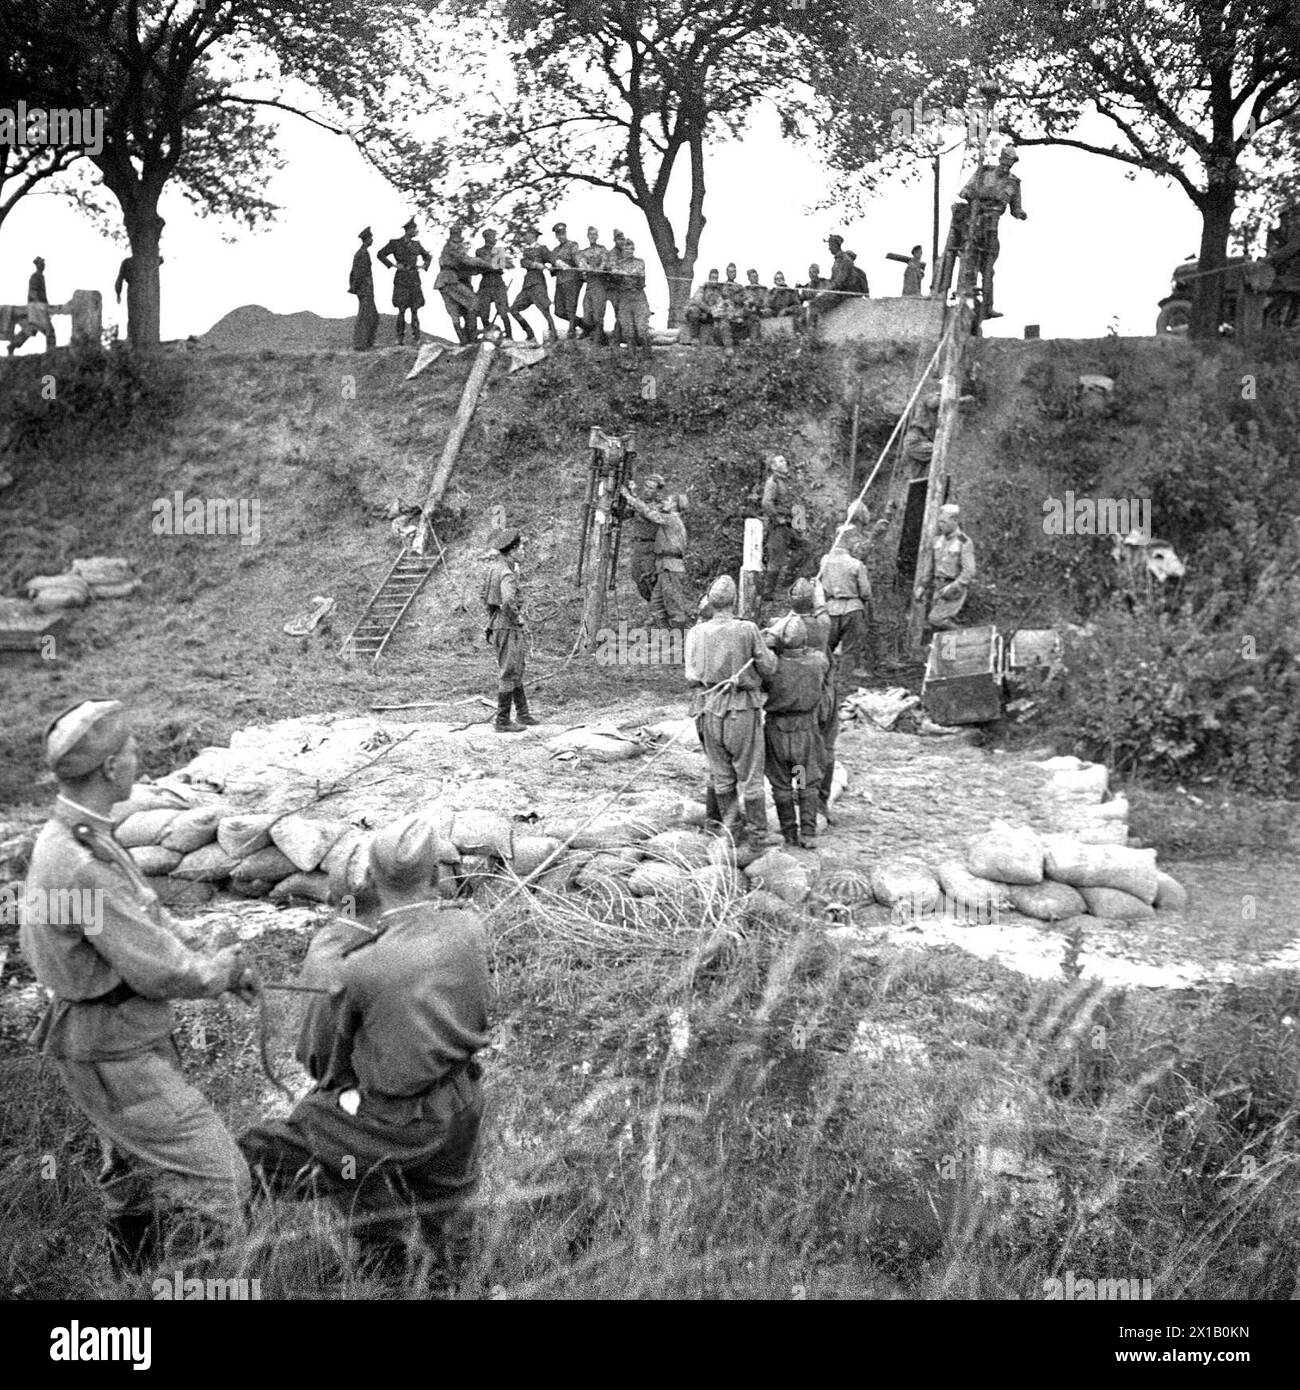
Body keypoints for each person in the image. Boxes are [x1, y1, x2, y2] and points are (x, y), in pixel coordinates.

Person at [20, 700, 258, 1274]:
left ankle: (128, 1285)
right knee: (223, 1180)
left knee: (130, 1173)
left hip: (112, 1037)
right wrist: (215, 972)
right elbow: (160, 971)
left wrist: (205, 951)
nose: (137, 757)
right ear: (107, 769)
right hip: (114, 1047)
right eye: (128, 749)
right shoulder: (82, 861)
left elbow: (145, 919)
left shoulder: (78, 837)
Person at [239, 813, 489, 1279]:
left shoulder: (361, 966)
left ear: (371, 879)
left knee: (265, 1147)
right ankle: (445, 1280)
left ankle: (376, 1253)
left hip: (395, 1120)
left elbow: (319, 1061)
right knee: (449, 1218)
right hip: (461, 1103)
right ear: (436, 876)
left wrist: (343, 929)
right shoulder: (470, 929)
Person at [684, 576, 779, 847]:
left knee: (721, 773)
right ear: (734, 601)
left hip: (708, 707)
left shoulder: (696, 633)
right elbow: (769, 668)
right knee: (750, 774)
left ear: (710, 603)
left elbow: (691, 675)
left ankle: (732, 831)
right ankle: (758, 834)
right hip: (741, 708)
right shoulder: (747, 629)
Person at [760, 614, 829, 850]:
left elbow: (762, 659)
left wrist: (770, 640)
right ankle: (807, 832)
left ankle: (790, 833)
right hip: (805, 732)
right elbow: (816, 652)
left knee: (781, 784)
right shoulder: (818, 662)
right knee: (804, 780)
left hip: (777, 731)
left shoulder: (772, 666)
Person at [939, 146, 1026, 318]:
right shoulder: (984, 173)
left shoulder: (1013, 182)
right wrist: (974, 196)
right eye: (1004, 163)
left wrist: (1021, 214)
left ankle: (987, 306)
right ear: (1000, 159)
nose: (1006, 167)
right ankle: (942, 292)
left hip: (992, 224)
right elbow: (965, 192)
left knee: (988, 267)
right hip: (972, 220)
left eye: (1010, 165)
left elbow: (1016, 208)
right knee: (958, 255)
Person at [787, 579, 840, 829]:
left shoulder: (787, 628)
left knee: (800, 754)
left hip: (805, 699)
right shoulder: (823, 625)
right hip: (826, 697)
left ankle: (800, 796)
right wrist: (817, 588)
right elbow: (822, 610)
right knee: (826, 750)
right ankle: (821, 801)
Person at [482, 528, 538, 732]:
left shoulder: (494, 568)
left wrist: (493, 618)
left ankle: (523, 714)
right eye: (521, 547)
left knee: (515, 669)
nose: (524, 551)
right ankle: (503, 721)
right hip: (507, 626)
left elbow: (484, 596)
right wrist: (518, 617)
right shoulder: (506, 573)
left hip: (498, 623)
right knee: (509, 671)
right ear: (512, 550)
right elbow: (507, 600)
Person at [620, 481, 688, 628]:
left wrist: (629, 496)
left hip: (671, 566)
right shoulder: (670, 518)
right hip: (665, 566)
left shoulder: (670, 519)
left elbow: (649, 514)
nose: (665, 502)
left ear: (675, 506)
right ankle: (665, 636)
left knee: (673, 604)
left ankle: (677, 639)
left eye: (669, 501)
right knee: (657, 604)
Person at [817, 533, 874, 680]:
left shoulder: (825, 561)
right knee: (850, 646)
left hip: (830, 607)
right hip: (852, 608)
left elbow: (821, 584)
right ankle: (844, 678)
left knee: (827, 645)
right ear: (850, 545)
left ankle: (823, 675)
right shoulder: (856, 564)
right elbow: (866, 592)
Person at [915, 502, 976, 630]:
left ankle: (963, 635)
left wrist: (955, 586)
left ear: (954, 521)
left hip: (953, 589)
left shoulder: (963, 540)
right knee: (935, 625)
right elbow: (929, 568)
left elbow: (969, 571)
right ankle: (945, 649)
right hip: (937, 588)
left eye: (944, 522)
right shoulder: (937, 540)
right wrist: (922, 586)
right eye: (939, 521)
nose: (940, 525)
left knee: (936, 620)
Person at [377, 219, 434, 345]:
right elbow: (380, 254)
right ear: (408, 230)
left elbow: (428, 257)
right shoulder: (395, 243)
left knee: (415, 309)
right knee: (401, 309)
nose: (415, 231)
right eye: (413, 229)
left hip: (414, 278)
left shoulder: (417, 245)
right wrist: (393, 265)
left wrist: (424, 266)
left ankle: (417, 338)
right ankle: (400, 338)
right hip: (401, 278)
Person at [761, 455, 808, 601]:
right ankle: (768, 593)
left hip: (790, 524)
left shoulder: (787, 481)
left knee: (805, 547)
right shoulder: (773, 482)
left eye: (784, 460)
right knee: (776, 558)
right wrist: (778, 519)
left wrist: (799, 524)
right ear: (773, 467)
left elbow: (795, 503)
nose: (785, 462)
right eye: (780, 461)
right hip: (779, 527)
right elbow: (766, 503)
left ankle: (787, 583)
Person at [434, 225, 490, 344]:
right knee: (473, 302)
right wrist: (486, 264)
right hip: (449, 279)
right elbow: (465, 260)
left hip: (443, 281)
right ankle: (472, 336)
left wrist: (480, 268)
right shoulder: (453, 245)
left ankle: (464, 340)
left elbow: (464, 267)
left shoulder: (447, 248)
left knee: (454, 312)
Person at [622, 472, 666, 607]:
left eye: (651, 488)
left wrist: (631, 497)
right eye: (646, 486)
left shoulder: (661, 506)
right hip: (638, 546)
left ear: (658, 492)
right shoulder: (640, 503)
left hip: (651, 548)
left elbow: (647, 513)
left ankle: (661, 612)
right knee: (637, 577)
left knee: (650, 579)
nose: (647, 490)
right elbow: (626, 514)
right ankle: (655, 608)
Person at [509, 228, 557, 342]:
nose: (525, 237)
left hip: (538, 283)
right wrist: (536, 264)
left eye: (526, 234)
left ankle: (554, 335)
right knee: (513, 309)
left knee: (545, 310)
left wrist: (555, 265)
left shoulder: (542, 248)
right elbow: (523, 263)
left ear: (533, 235)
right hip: (527, 285)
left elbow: (552, 259)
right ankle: (530, 334)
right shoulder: (526, 250)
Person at [610, 237, 652, 349]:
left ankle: (647, 355)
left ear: (634, 249)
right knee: (628, 330)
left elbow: (638, 273)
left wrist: (622, 273)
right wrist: (616, 273)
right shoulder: (618, 264)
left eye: (631, 249)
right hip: (624, 297)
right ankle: (632, 356)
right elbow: (613, 276)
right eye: (626, 249)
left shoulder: (639, 262)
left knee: (642, 328)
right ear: (622, 250)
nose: (628, 251)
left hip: (638, 297)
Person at [9, 255, 56, 353]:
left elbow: (41, 295)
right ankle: (51, 353)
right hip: (36, 307)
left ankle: (12, 345)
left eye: (44, 264)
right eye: (42, 264)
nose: (44, 266)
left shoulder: (40, 276)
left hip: (37, 307)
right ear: (38, 265)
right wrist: (41, 307)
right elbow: (33, 293)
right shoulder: (35, 277)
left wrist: (46, 305)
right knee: (49, 331)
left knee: (31, 329)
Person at [573, 227, 612, 344]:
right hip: (589, 285)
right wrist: (585, 266)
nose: (593, 236)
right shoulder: (584, 251)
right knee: (587, 313)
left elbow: (605, 262)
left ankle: (598, 339)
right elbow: (580, 261)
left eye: (595, 234)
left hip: (600, 284)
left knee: (598, 314)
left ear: (598, 236)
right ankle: (592, 335)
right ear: (587, 236)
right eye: (590, 235)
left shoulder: (602, 249)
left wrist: (599, 268)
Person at [474, 228, 514, 339]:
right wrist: (497, 263)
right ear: (486, 238)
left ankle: (509, 336)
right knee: (483, 312)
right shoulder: (480, 251)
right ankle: (489, 333)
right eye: (491, 236)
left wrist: (497, 263)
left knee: (503, 311)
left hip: (497, 282)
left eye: (493, 236)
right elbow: (483, 264)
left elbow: (507, 265)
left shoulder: (498, 250)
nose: (493, 239)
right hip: (486, 282)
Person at [683, 269, 732, 347]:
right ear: (709, 278)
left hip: (714, 316)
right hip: (703, 313)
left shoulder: (720, 289)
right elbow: (697, 300)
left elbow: (725, 301)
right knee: (694, 310)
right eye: (713, 278)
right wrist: (709, 310)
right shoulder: (703, 287)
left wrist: (717, 309)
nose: (714, 280)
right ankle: (694, 337)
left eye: (716, 278)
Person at [349, 227, 379, 351]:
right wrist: (356, 287)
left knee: (370, 315)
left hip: (364, 289)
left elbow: (354, 273)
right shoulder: (362, 254)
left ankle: (365, 343)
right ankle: (361, 344)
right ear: (366, 239)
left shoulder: (361, 253)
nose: (372, 240)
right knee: (366, 315)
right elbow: (359, 273)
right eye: (370, 238)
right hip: (365, 289)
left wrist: (354, 287)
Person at [551, 223, 583, 337]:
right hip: (560, 281)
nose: (561, 236)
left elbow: (578, 259)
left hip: (572, 279)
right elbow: (552, 269)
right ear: (556, 236)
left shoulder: (572, 245)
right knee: (558, 311)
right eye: (558, 234)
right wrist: (555, 266)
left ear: (566, 233)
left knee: (570, 307)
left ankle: (571, 330)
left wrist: (581, 267)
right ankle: (584, 324)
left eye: (563, 233)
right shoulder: (555, 250)